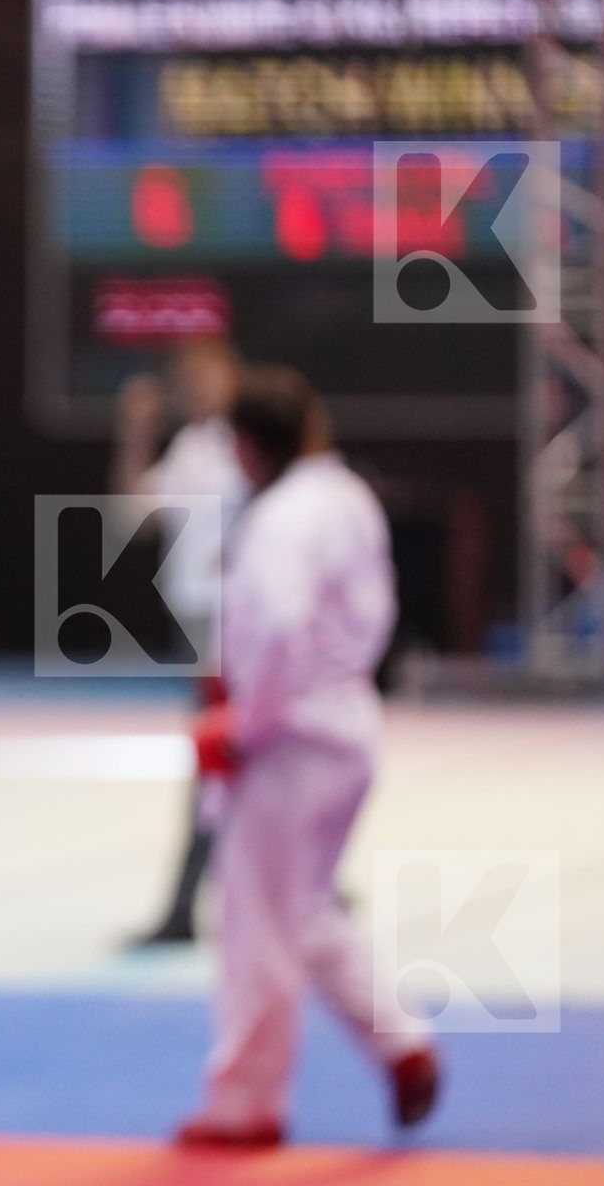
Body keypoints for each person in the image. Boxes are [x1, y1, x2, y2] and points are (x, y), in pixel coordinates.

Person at [176, 366, 439, 1148]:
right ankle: (402, 1044)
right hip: (347, 723)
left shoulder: (283, 518)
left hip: (288, 739)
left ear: (248, 446)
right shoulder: (347, 497)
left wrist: (240, 724)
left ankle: (245, 1106)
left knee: (253, 921)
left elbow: (280, 628)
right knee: (306, 907)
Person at [112, 339, 248, 945]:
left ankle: (183, 910)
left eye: (202, 376)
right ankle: (311, 887)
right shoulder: (191, 448)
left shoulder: (246, 445)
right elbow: (130, 515)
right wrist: (135, 434)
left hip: (238, 626)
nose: (191, 389)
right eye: (183, 380)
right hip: (202, 626)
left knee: (219, 762)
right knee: (239, 761)